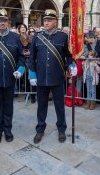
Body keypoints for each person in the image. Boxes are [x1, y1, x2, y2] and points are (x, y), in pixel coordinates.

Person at [29, 9, 76, 143]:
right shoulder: (37, 37)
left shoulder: (63, 37)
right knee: (41, 106)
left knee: (59, 106)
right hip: (41, 77)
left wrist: (71, 66)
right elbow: (32, 57)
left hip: (57, 77)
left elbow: (68, 55)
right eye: (45, 20)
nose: (46, 22)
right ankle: (40, 129)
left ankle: (61, 129)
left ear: (55, 22)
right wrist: (32, 74)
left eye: (49, 20)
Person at [0, 9, 25, 144]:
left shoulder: (15, 38)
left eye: (5, 20)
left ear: (8, 22)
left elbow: (21, 57)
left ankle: (7, 130)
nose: (2, 23)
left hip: (9, 78)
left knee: (8, 106)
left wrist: (20, 68)